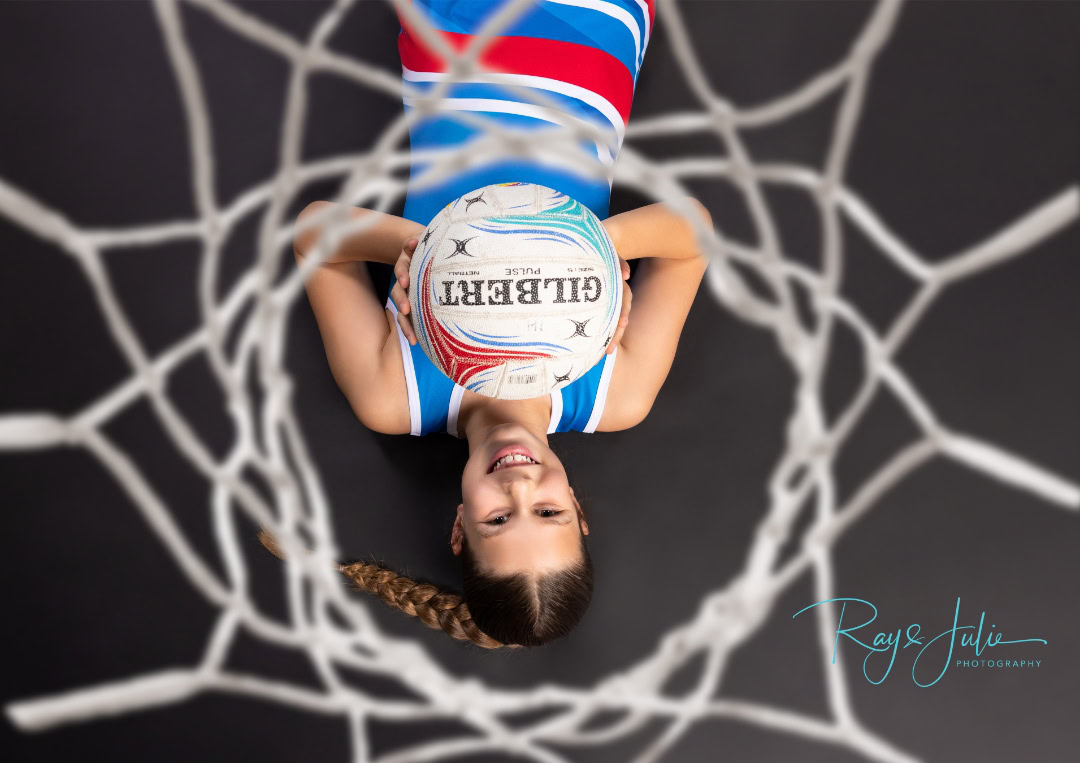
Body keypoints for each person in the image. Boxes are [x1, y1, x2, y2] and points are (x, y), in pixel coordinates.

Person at [285, 0, 711, 649]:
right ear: (579, 510)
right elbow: (694, 235)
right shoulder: (615, 392)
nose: (518, 484)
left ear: (460, 526)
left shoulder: (393, 393)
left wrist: (420, 255)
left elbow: (314, 232)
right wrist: (594, 248)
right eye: (547, 511)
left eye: (497, 519)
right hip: (597, 36)